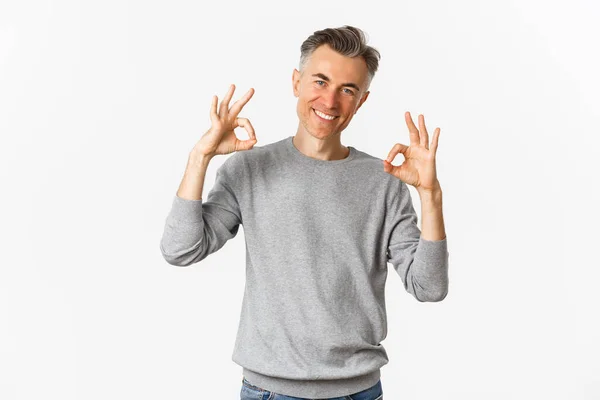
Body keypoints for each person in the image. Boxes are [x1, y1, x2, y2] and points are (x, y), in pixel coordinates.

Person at [159, 25, 449, 400]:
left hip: (357, 390)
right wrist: (200, 158)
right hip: (269, 390)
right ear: (296, 82)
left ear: (361, 101)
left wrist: (431, 195)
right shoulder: (249, 169)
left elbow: (429, 286)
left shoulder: (385, 182)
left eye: (348, 90)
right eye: (320, 81)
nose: (330, 102)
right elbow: (180, 249)